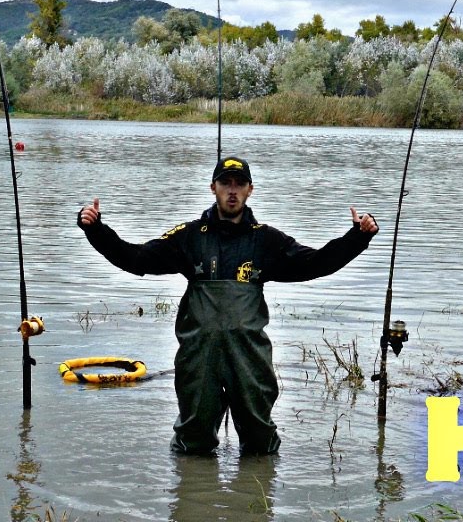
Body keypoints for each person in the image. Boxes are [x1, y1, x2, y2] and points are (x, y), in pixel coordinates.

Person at [77, 155, 378, 456]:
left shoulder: (267, 241)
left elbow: (316, 263)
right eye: (225, 183)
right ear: (213, 188)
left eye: (239, 184)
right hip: (198, 358)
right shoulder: (189, 237)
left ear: (250, 190)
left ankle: (256, 496)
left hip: (250, 359)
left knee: (261, 444)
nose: (232, 190)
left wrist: (356, 239)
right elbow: (136, 258)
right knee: (191, 446)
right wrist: (96, 230)